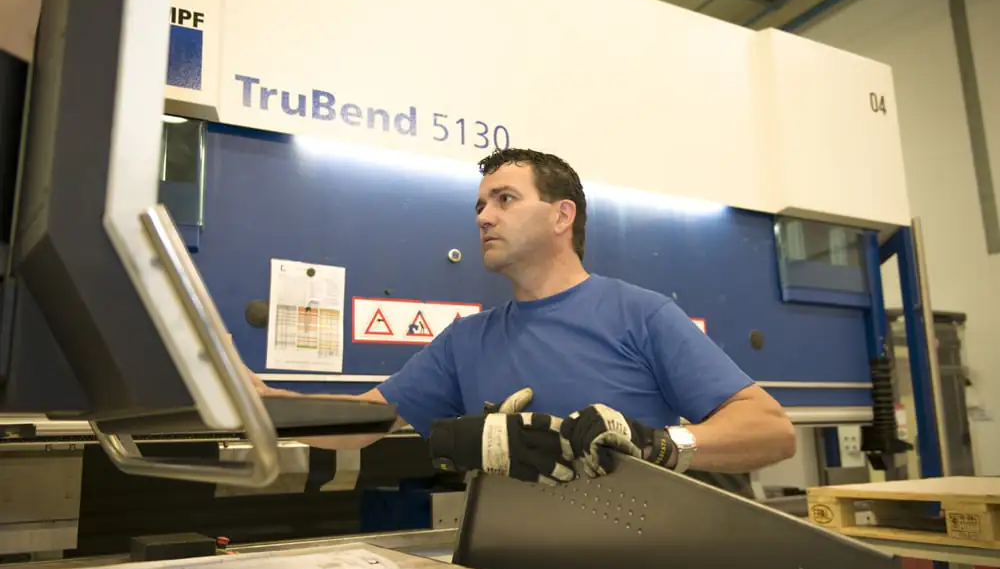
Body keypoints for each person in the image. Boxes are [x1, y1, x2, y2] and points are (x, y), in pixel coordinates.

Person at [251, 148, 795, 484]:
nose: (485, 217)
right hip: (513, 568)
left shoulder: (641, 315)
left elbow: (771, 431)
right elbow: (361, 425)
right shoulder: (466, 340)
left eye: (505, 199)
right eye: (480, 207)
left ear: (562, 216)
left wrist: (661, 445)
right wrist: (261, 404)